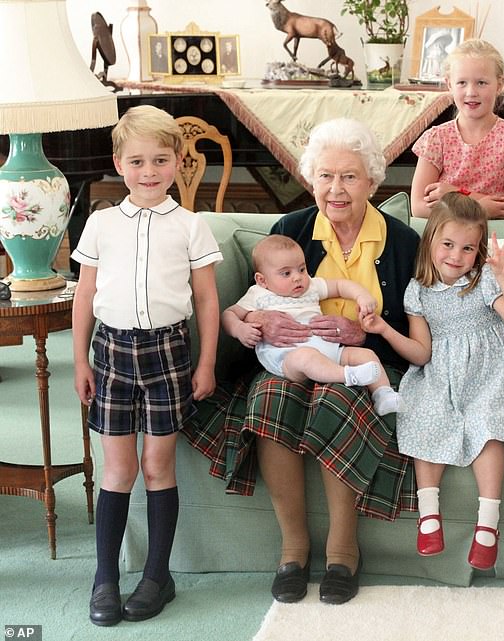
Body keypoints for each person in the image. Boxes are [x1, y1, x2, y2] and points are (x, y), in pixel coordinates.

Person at [179, 118, 420, 606]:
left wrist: (364, 333)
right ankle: (293, 547)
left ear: (372, 181)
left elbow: (413, 332)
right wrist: (261, 326)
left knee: (338, 396)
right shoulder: (289, 231)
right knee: (268, 398)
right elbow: (256, 302)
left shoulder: (402, 242)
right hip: (284, 362)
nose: (336, 189)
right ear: (311, 179)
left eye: (350, 176)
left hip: (364, 362)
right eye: (326, 176)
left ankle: (341, 549)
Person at [71, 105, 223, 626]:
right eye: (137, 161)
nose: (149, 171)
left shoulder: (191, 226)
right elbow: (84, 296)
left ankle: (158, 576)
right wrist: (79, 362)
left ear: (178, 161)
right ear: (118, 163)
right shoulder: (101, 223)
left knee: (157, 467)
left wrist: (206, 363)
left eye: (160, 160)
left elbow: (206, 301)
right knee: (119, 468)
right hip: (111, 353)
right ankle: (105, 579)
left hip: (169, 355)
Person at [361, 192, 504, 571]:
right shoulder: (417, 291)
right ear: (431, 241)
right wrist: (385, 330)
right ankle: (429, 514)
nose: (456, 256)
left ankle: (488, 524)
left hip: (489, 370)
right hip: (441, 370)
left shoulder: (484, 278)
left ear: (479, 250)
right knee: (424, 414)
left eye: (468, 248)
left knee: (487, 425)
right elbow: (421, 353)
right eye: (448, 245)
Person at [221, 234, 399, 415]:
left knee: (365, 354)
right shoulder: (258, 294)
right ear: (262, 280)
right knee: (307, 357)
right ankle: (348, 375)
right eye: (286, 273)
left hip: (328, 349)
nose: (297, 278)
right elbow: (229, 314)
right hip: (287, 358)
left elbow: (340, 285)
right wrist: (239, 328)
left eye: (302, 269)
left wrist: (362, 296)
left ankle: (383, 394)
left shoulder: (311, 286)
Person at [410, 39, 504, 219]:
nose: (471, 92)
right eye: (462, 82)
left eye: (481, 83)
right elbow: (418, 207)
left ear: (499, 84)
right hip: (448, 243)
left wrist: (456, 195)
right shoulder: (436, 139)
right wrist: (481, 208)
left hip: (497, 242)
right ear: (449, 85)